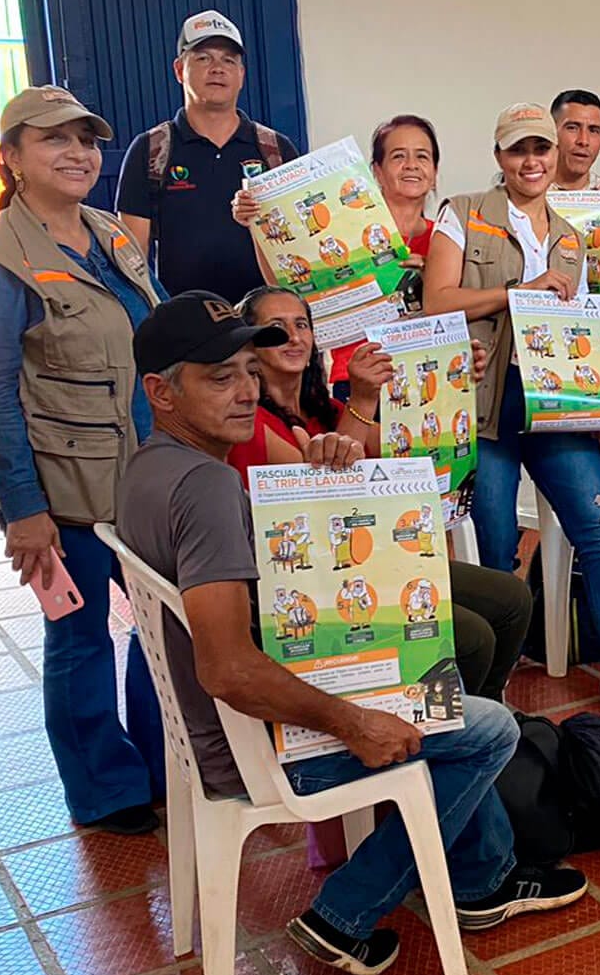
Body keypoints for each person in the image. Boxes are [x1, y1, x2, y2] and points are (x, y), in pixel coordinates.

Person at [117, 291, 586, 975]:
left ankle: (477, 871)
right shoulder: (205, 488)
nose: (246, 390)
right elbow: (226, 669)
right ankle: (347, 911)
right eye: (220, 377)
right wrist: (354, 719)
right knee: (488, 729)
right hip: (254, 747)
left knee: (447, 670)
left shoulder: (148, 468)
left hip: (214, 728)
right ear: (160, 391)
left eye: (249, 369)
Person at [0, 87, 168, 835]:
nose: (78, 153)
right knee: (79, 639)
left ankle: (163, 762)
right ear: (9, 159)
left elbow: (165, 323)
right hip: (64, 489)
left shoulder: (111, 235)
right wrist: (23, 509)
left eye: (86, 138)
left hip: (143, 474)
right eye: (53, 140)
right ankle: (105, 791)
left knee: (159, 625)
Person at [424, 103, 600, 731]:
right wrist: (516, 292)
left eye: (540, 150)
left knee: (598, 528)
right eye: (517, 151)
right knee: (498, 542)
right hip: (487, 402)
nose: (531, 162)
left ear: (555, 157)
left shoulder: (568, 236)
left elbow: (574, 325)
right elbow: (437, 302)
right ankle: (490, 682)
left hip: (554, 403)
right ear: (499, 157)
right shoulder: (463, 212)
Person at [227, 285, 531, 702]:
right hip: (316, 585)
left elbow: (402, 457)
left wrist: (452, 379)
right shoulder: (249, 422)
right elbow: (331, 501)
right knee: (473, 636)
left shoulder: (325, 410)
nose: (294, 337)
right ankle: (461, 735)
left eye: (302, 325)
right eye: (275, 329)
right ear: (249, 345)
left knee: (512, 598)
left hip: (373, 563)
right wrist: (363, 400)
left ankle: (486, 714)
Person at [233, 114, 441, 400]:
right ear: (376, 172)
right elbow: (287, 291)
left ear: (434, 172)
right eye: (398, 156)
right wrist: (257, 225)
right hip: (354, 375)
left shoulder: (446, 240)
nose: (411, 165)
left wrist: (434, 278)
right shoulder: (343, 232)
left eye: (422, 156)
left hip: (425, 374)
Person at [115, 10, 300, 302]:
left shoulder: (275, 149)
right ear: (179, 70)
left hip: (267, 324)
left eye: (229, 60)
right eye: (203, 58)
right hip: (186, 326)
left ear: (241, 75)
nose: (217, 68)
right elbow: (131, 259)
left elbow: (300, 238)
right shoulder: (151, 150)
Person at [551, 90, 600, 190]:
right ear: (551, 135)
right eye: (572, 128)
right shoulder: (527, 194)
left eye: (593, 130)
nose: (583, 141)